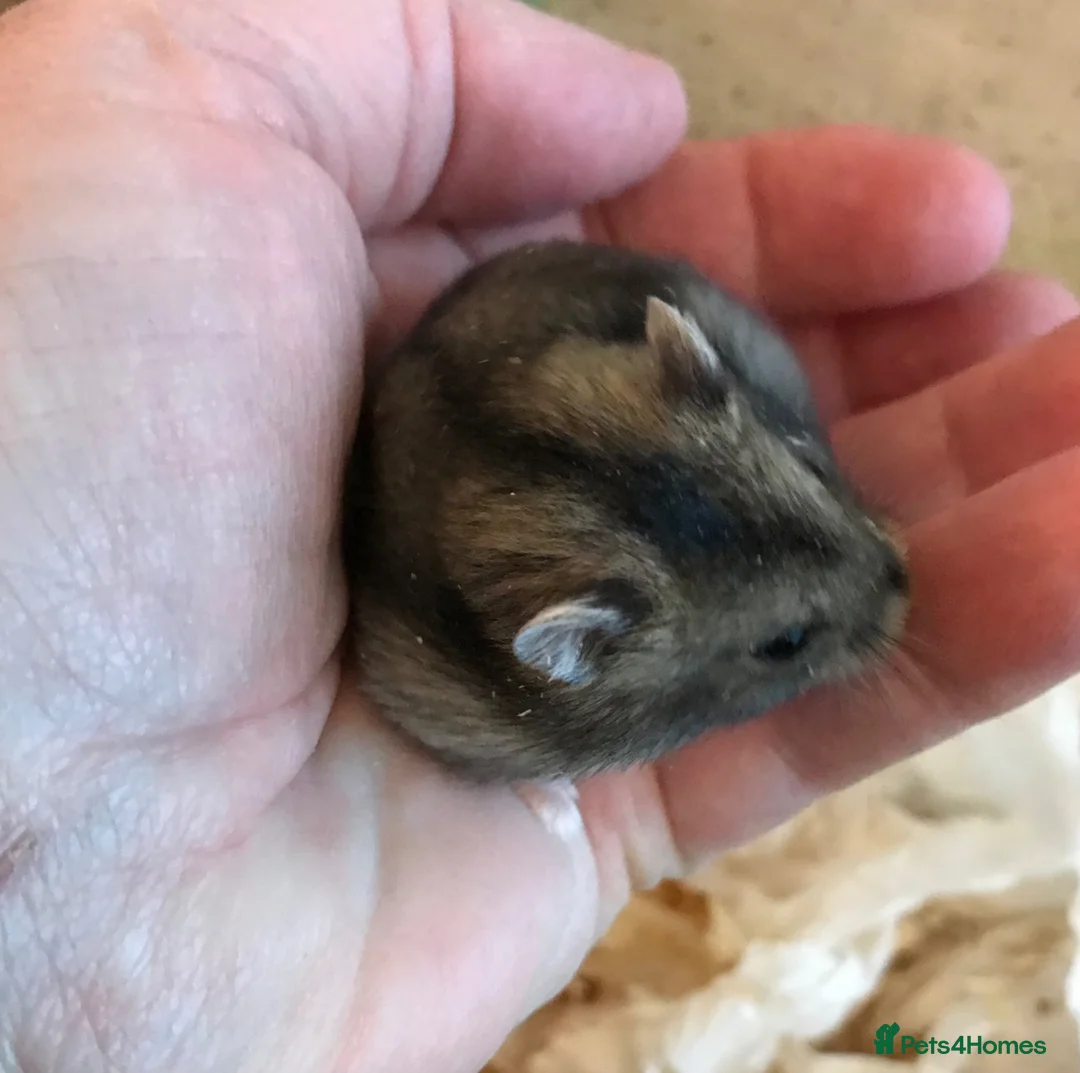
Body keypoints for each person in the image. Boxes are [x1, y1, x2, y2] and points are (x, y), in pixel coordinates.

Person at [1, 0, 1079, 1069]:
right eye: (783, 641)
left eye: (803, 472)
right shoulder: (514, 673)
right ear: (580, 650)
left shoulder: (668, 389)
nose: (891, 573)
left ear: (683, 364)